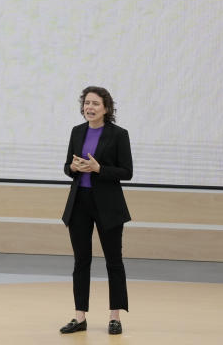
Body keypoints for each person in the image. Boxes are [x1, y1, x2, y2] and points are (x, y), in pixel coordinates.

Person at [59, 86, 133, 335]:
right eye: (86, 103)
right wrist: (73, 167)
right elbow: (68, 167)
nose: (89, 107)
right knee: (81, 261)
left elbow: (127, 172)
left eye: (95, 104)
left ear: (106, 108)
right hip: (79, 202)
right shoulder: (77, 132)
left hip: (108, 205)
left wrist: (99, 169)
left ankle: (115, 317)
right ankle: (79, 317)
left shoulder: (119, 134)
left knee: (114, 262)